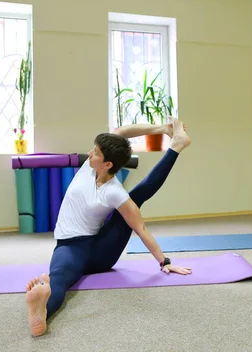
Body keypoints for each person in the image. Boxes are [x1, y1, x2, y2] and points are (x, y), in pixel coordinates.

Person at [24, 117, 192, 337]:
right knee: (59, 276)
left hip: (100, 252)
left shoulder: (115, 192)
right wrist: (161, 128)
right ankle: (40, 313)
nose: (90, 153)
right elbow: (121, 131)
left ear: (108, 164)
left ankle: (176, 146)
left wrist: (165, 262)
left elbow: (140, 227)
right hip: (70, 247)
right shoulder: (88, 167)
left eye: (96, 152)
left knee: (136, 197)